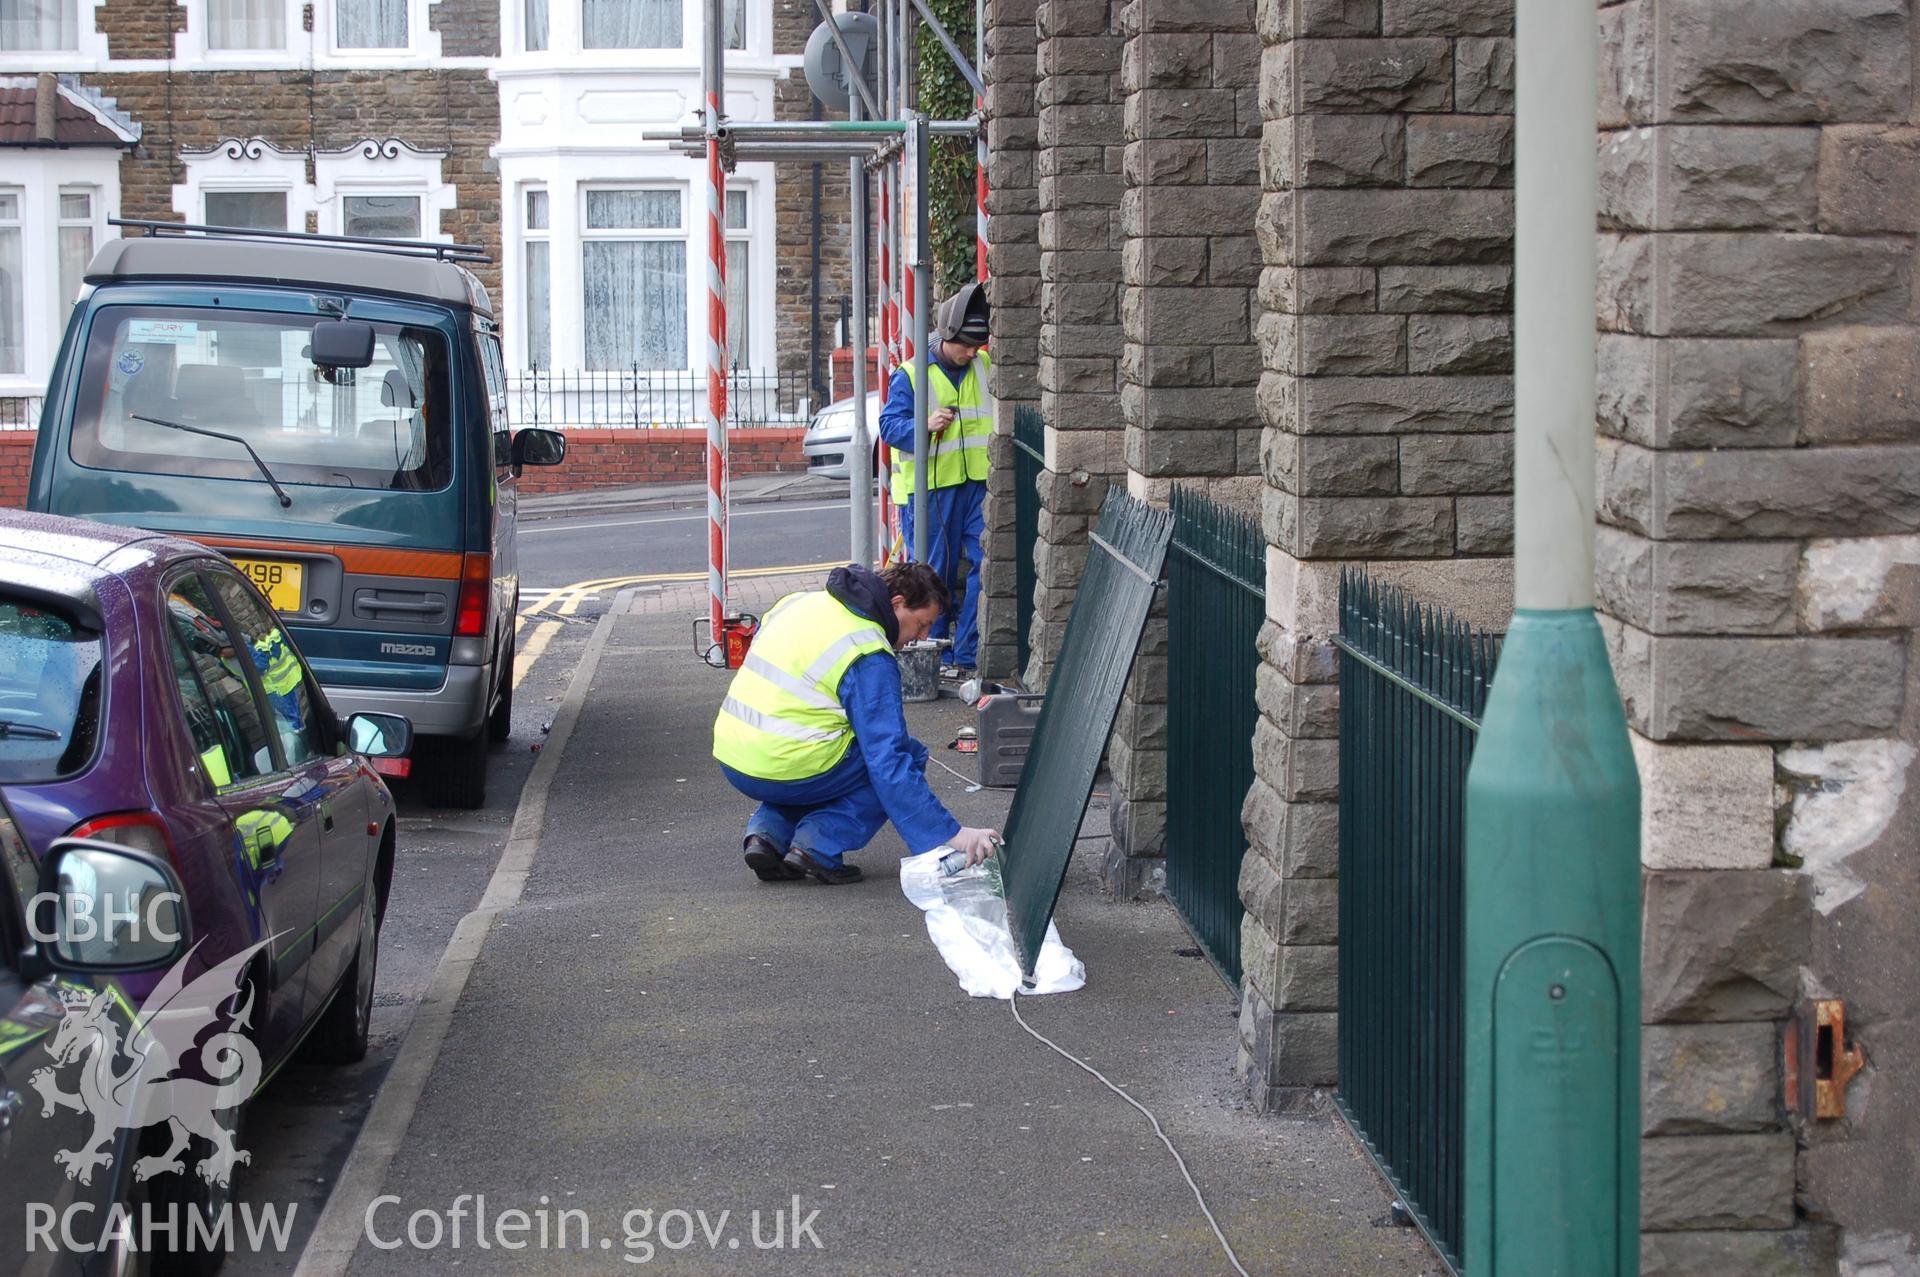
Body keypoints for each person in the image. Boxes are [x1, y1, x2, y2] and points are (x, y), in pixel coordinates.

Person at [713, 562, 1001, 885]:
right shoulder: (868, 652)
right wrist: (951, 835)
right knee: (904, 756)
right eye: (921, 624)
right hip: (786, 764)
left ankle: (766, 835)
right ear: (896, 604)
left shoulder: (798, 603)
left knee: (822, 755)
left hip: (734, 753)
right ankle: (817, 845)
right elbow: (888, 760)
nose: (920, 637)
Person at [877, 281, 992, 678]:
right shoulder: (911, 375)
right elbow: (889, 426)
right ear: (946, 336)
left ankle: (966, 654)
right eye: (965, 344)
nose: (972, 351)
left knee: (985, 563)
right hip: (929, 491)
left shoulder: (983, 365)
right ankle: (936, 655)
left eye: (978, 343)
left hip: (974, 484)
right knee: (934, 574)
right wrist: (923, 426)